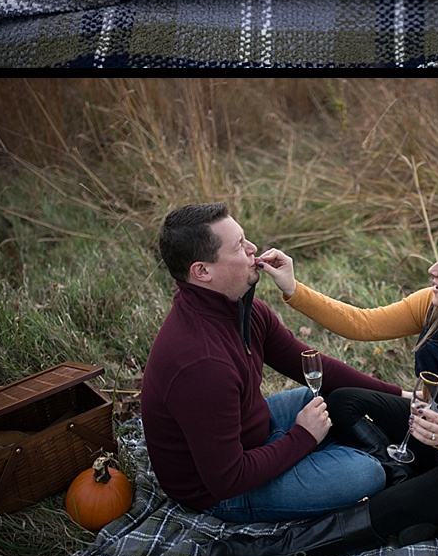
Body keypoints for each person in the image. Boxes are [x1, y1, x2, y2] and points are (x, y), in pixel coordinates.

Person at [204, 221, 438, 556]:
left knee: (386, 507)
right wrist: (294, 288)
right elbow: (363, 324)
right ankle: (402, 477)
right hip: (436, 434)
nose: (432, 270)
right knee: (343, 400)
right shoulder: (436, 308)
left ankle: (269, 550)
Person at [140, 202, 405, 524]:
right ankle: (354, 455)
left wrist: (398, 396)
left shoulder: (240, 309)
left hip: (254, 432)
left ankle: (354, 447)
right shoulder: (201, 364)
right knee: (364, 473)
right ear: (202, 271)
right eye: (239, 246)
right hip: (220, 492)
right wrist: (303, 437)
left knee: (328, 395)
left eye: (246, 239)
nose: (254, 249)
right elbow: (227, 478)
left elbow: (310, 364)